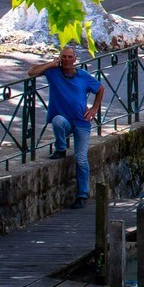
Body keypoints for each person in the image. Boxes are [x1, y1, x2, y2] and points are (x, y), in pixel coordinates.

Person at [26, 45, 103, 208]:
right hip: (65, 121)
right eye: (64, 57)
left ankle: (82, 195)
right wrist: (50, 64)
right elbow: (31, 72)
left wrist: (94, 108)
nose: (67, 60)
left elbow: (100, 88)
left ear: (75, 59)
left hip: (81, 122)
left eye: (70, 57)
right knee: (57, 120)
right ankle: (60, 149)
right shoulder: (53, 72)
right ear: (60, 58)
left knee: (81, 159)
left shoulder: (82, 75)